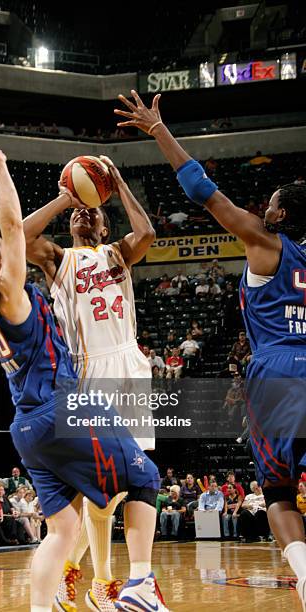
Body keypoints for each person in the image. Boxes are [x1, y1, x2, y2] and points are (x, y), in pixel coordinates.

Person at [0, 130, 167, 612]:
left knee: (62, 528)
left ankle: (41, 607)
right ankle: (137, 585)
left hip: (28, 421)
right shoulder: (15, 288)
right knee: (144, 479)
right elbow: (12, 231)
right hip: (65, 401)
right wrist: (5, 169)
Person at [114, 89, 306, 609]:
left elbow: (203, 190)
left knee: (280, 493)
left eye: (269, 203)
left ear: (282, 213)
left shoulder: (267, 242)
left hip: (278, 370)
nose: (261, 207)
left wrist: (158, 131)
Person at [23, 152, 158, 608]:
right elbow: (20, 237)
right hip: (84, 371)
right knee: (94, 489)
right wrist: (65, 199)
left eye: (92, 210)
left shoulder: (117, 252)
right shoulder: (57, 259)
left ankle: (80, 575)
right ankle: (97, 581)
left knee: (118, 488)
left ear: (103, 225)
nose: (85, 212)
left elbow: (147, 234)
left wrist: (117, 185)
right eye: (80, 211)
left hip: (128, 368)